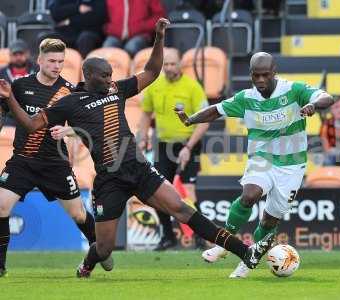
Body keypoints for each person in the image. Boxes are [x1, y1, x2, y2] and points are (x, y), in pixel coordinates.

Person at [0, 19, 274, 278]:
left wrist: (159, 38)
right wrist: (11, 98)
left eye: (111, 75)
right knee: (104, 249)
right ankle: (87, 263)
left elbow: (152, 71)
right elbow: (33, 125)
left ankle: (244, 251)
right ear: (89, 75)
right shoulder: (70, 102)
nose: (110, 79)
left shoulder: (117, 90)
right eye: (104, 76)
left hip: (138, 168)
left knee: (182, 209)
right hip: (109, 179)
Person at [175, 52, 334, 278]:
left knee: (269, 220)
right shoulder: (246, 98)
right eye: (256, 76)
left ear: (274, 72)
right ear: (251, 74)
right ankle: (224, 244)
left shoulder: (293, 90)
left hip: (292, 166)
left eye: (265, 75)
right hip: (262, 159)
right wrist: (190, 119)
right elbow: (216, 110)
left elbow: (327, 97)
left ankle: (247, 264)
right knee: (250, 195)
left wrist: (312, 105)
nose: (260, 80)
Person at [0, 38, 109, 278]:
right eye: (51, 61)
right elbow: (3, 112)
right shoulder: (19, 86)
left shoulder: (69, 91)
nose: (57, 66)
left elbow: (83, 125)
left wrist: (68, 131)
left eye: (61, 61)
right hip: (23, 160)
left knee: (78, 214)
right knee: (0, 206)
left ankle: (101, 249)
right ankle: (0, 267)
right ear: (39, 60)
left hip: (55, 164)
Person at [139, 47, 209, 250]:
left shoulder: (192, 87)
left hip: (189, 144)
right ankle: (168, 237)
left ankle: (199, 237)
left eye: (172, 64)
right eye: (166, 64)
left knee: (188, 191)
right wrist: (142, 138)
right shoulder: (155, 86)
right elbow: (145, 114)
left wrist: (188, 147)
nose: (169, 68)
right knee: (158, 192)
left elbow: (204, 121)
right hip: (163, 145)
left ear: (180, 65)